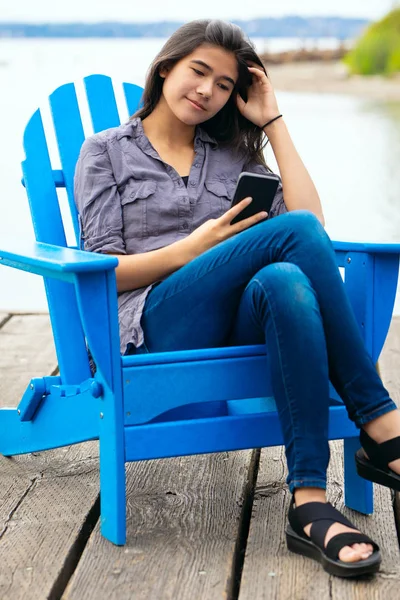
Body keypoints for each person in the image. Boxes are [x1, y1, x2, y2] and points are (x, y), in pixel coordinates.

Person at [74, 19, 400, 578]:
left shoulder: (230, 155)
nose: (207, 91)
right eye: (198, 72)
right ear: (164, 69)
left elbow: (312, 232)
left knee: (286, 282)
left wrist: (272, 123)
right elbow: (105, 269)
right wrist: (190, 249)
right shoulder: (106, 152)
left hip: (234, 321)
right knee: (291, 236)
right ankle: (380, 421)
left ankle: (309, 501)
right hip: (153, 325)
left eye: (224, 84)